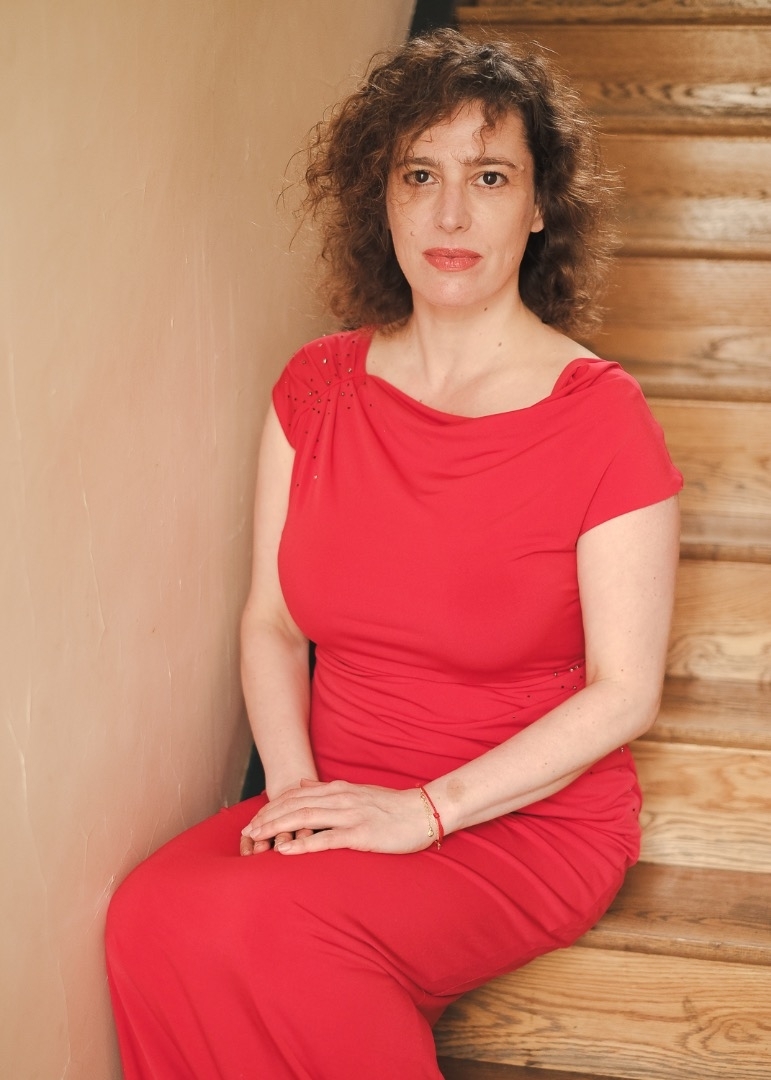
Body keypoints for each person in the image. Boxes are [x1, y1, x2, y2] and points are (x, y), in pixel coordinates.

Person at [106, 29, 682, 1080]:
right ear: (383, 196)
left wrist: (426, 812)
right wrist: (293, 794)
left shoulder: (600, 417)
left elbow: (625, 691)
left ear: (539, 205)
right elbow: (271, 621)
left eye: (489, 176)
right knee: (149, 917)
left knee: (273, 936)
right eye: (420, 175)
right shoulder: (317, 388)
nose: (450, 214)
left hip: (517, 819)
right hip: (338, 792)